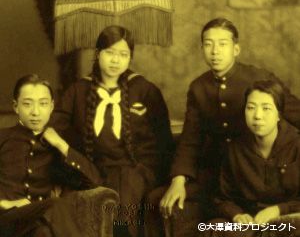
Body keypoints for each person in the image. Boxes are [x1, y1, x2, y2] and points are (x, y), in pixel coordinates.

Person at [148, 17, 300, 237]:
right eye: (208, 44)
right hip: (214, 175)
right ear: (202, 49)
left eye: (222, 44)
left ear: (236, 49)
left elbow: (293, 112)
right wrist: (178, 180)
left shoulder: (258, 79)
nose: (215, 51)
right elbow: (190, 140)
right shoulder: (199, 87)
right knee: (157, 201)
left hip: (254, 171)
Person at [51, 25, 174, 237]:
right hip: (92, 169)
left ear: (130, 58)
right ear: (98, 54)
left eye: (123, 54)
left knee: (124, 199)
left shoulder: (145, 90)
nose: (115, 60)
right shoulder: (77, 91)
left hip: (136, 170)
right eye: (109, 53)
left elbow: (164, 141)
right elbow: (55, 130)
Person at [0, 74, 119, 237]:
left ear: (51, 107)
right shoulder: (3, 138)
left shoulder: (56, 147)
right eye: (27, 104)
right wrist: (4, 203)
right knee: (55, 205)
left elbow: (94, 182)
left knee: (43, 233)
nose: (35, 112)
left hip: (34, 223)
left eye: (43, 104)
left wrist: (61, 145)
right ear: (16, 107)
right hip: (5, 220)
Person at [200, 79, 300, 237]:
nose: (258, 116)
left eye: (266, 108)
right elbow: (221, 198)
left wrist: (278, 210)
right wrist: (237, 215)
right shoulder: (235, 148)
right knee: (213, 228)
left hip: (287, 223)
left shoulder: (296, 145)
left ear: (279, 114)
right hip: (251, 224)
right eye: (251, 108)